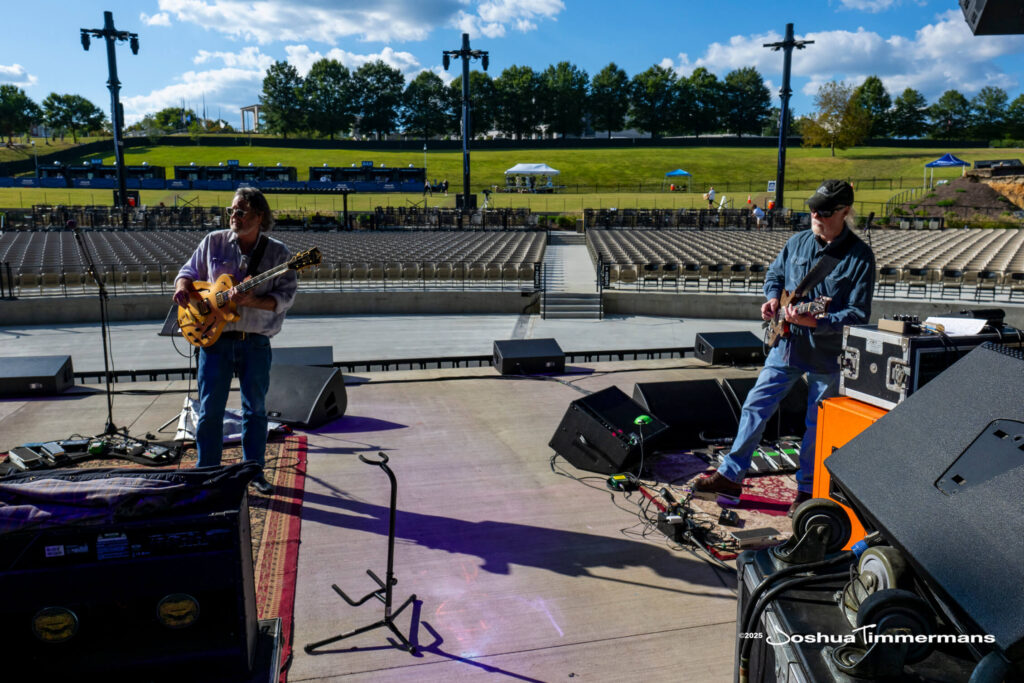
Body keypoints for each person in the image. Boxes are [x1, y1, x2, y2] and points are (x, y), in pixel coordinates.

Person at [692, 180, 875, 516]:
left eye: (825, 211)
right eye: (813, 210)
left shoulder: (860, 257)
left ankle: (806, 490)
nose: (816, 216)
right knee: (755, 406)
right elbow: (775, 275)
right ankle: (731, 476)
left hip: (827, 354)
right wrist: (772, 298)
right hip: (787, 343)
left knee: (816, 425)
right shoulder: (798, 242)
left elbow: (858, 313)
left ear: (845, 211)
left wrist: (818, 322)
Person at [172, 187, 298, 495]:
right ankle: (207, 473)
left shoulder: (278, 254)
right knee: (210, 409)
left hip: (254, 341)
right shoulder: (213, 241)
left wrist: (253, 300)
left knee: (255, 410)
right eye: (231, 210)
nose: (233, 216)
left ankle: (252, 472)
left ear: (259, 216)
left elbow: (285, 298)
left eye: (240, 212)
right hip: (214, 340)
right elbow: (187, 271)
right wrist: (182, 287)